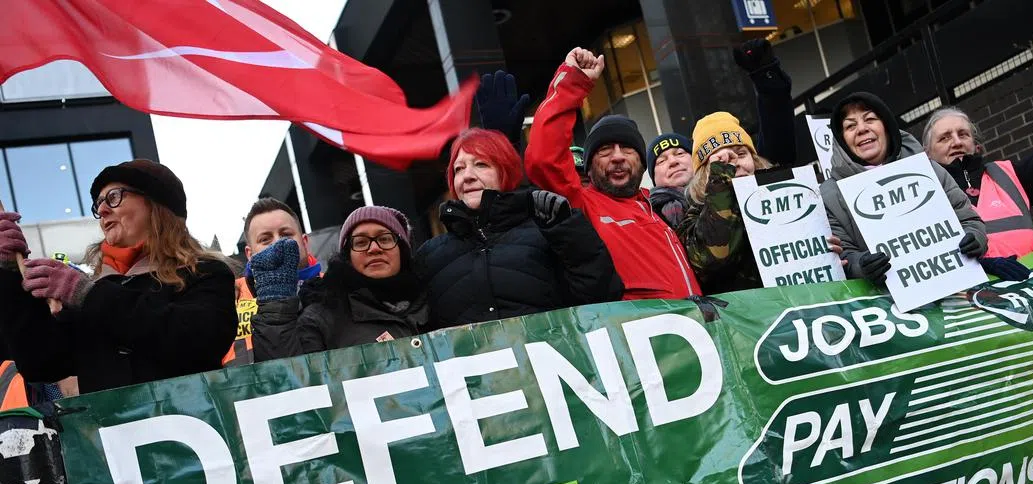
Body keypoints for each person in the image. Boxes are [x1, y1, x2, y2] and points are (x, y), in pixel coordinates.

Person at [0, 160, 237, 393]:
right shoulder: (94, 288)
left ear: (157, 205)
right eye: (99, 203)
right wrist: (10, 273)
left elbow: (198, 340)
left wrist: (87, 295)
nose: (102, 210)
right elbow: (41, 363)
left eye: (114, 197)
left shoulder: (206, 273)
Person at [525, 47, 700, 300]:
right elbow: (543, 157)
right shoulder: (581, 207)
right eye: (605, 150)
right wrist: (573, 82)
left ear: (641, 161)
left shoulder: (659, 209)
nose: (617, 156)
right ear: (589, 165)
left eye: (627, 148)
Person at [417, 128, 622, 329]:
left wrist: (569, 234)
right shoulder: (431, 255)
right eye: (458, 169)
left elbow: (602, 297)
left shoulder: (549, 231)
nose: (467, 176)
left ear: (505, 172)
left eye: (481, 164)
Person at [922, 43, 1033, 266]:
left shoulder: (1008, 174)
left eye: (963, 134)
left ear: (977, 145)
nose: (956, 141)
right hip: (971, 299)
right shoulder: (922, 196)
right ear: (927, 154)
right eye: (944, 137)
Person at [821, 93, 989, 285]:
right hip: (887, 306)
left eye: (870, 119)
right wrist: (861, 266)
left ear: (886, 126)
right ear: (842, 139)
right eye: (850, 126)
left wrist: (975, 239)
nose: (862, 129)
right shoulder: (830, 195)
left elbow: (969, 220)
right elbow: (844, 257)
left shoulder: (929, 169)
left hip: (956, 290)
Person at [677, 112, 845, 294]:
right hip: (751, 318)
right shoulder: (692, 220)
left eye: (741, 154)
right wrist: (721, 178)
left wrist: (828, 256)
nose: (735, 163)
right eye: (720, 160)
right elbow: (713, 256)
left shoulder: (790, 195)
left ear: (755, 160)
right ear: (704, 175)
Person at [649, 39, 796, 231]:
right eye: (661, 161)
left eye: (679, 153)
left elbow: (778, 137)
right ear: (702, 173)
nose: (733, 161)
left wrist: (767, 78)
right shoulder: (683, 221)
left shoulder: (776, 187)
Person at [249, 205, 427, 359]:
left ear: (402, 249)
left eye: (385, 239)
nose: (374, 248)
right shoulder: (323, 317)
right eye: (361, 242)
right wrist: (276, 309)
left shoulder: (434, 296)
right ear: (347, 256)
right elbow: (291, 379)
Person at [222, 197, 322, 365]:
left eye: (286, 235)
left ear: (304, 242)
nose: (278, 243)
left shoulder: (335, 288)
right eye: (265, 239)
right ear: (249, 254)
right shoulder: (228, 297)